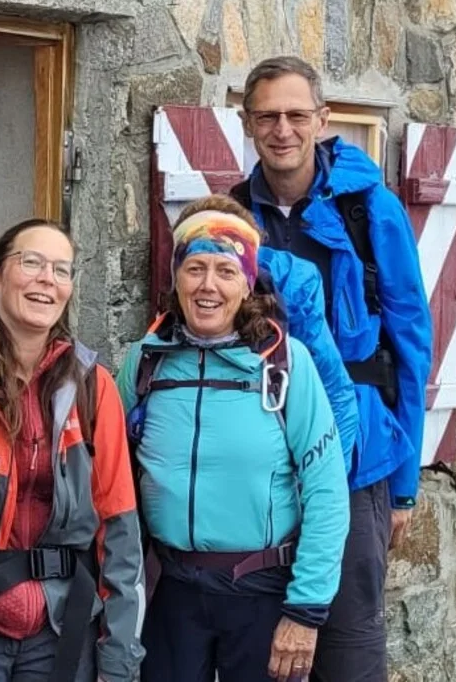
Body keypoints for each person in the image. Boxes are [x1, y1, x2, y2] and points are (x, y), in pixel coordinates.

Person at [232, 55, 433, 682]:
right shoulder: (233, 216)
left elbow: (410, 345)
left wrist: (403, 485)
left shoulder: (370, 211)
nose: (282, 129)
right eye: (267, 116)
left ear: (323, 120)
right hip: (262, 457)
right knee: (264, 652)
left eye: (296, 115)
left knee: (347, 647)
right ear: (247, 123)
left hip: (357, 460)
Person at [118, 196, 348, 682]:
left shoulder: (285, 365)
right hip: (170, 591)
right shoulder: (144, 362)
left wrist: (306, 610)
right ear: (176, 277)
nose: (208, 285)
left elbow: (327, 490)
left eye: (226, 270)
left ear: (247, 284)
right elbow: (110, 474)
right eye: (195, 267)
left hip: (262, 592)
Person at [0, 219, 145, 682]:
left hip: (64, 627)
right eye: (31, 262)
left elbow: (119, 529)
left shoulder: (91, 387)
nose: (47, 279)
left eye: (61, 270)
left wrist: (120, 655)